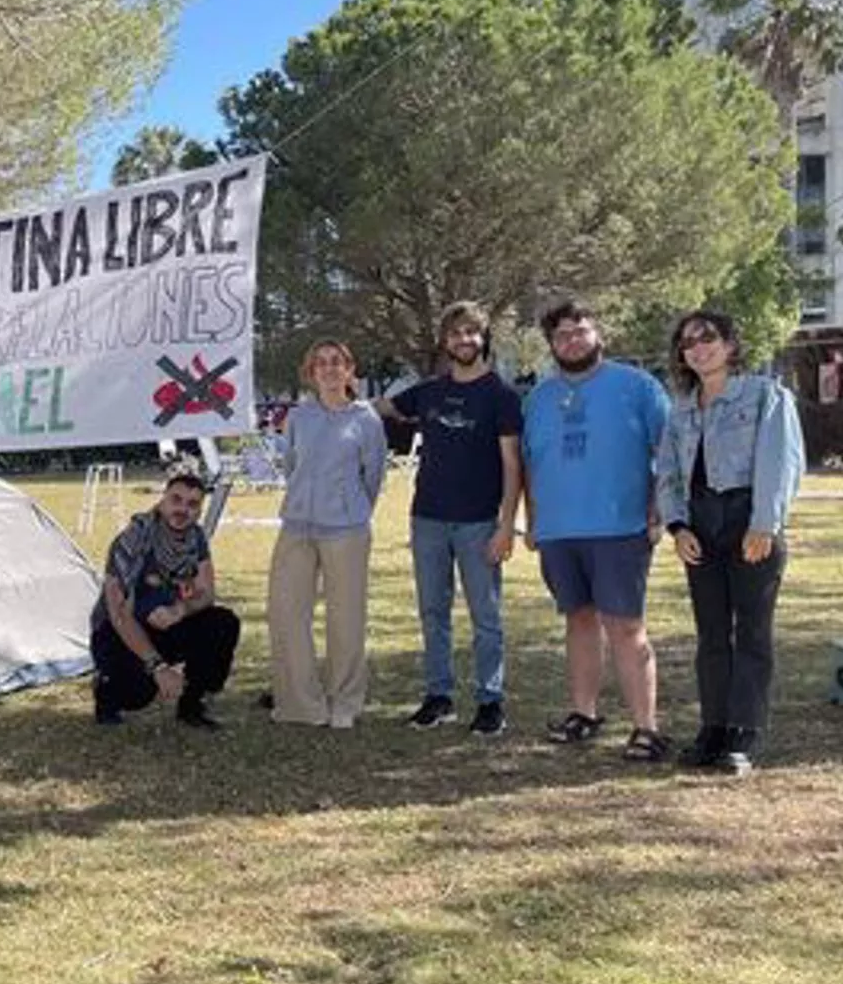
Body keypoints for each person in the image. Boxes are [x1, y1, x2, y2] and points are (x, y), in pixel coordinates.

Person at [520, 300, 672, 762]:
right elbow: (529, 462)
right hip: (560, 530)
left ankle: (647, 728)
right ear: (551, 345)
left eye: (579, 330)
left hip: (620, 526)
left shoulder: (638, 386)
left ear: (597, 333)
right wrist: (533, 518)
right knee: (579, 620)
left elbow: (667, 451)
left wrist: (657, 509)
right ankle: (583, 713)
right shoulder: (538, 398)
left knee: (626, 626)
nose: (572, 340)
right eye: (561, 335)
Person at [657, 310, 804, 777]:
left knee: (752, 632)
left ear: (731, 344)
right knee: (712, 633)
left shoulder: (764, 395)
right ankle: (713, 727)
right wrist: (677, 527)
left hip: (749, 520)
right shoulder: (680, 406)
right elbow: (669, 472)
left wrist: (765, 524)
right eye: (689, 343)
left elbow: (781, 463)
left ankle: (744, 732)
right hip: (701, 525)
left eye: (708, 338)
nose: (699, 348)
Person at [376, 303, 522, 735]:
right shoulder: (428, 392)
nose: (464, 340)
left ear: (484, 338)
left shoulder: (501, 395)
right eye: (456, 333)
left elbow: (513, 466)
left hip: (479, 522)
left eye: (472, 333)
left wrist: (506, 525)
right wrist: (338, 391)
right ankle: (438, 697)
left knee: (486, 617)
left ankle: (490, 701)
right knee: (433, 611)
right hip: (428, 520)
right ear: (445, 341)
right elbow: (380, 408)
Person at [268, 339, 387, 728]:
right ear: (311, 372)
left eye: (337, 362)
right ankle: (301, 704)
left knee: (346, 619)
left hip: (346, 531)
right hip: (297, 527)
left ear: (350, 370)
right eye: (321, 363)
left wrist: (350, 509)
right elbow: (290, 466)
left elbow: (373, 477)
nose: (330, 369)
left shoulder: (366, 419)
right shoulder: (299, 418)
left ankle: (345, 702)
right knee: (287, 614)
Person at [90, 471, 242, 730]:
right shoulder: (133, 539)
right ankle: (106, 690)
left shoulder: (195, 538)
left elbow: (207, 593)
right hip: (119, 631)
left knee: (222, 623)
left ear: (199, 510)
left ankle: (192, 704)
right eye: (177, 499)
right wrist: (158, 667)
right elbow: (118, 614)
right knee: (136, 695)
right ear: (163, 500)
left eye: (192, 504)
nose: (183, 509)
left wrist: (181, 609)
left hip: (165, 623)